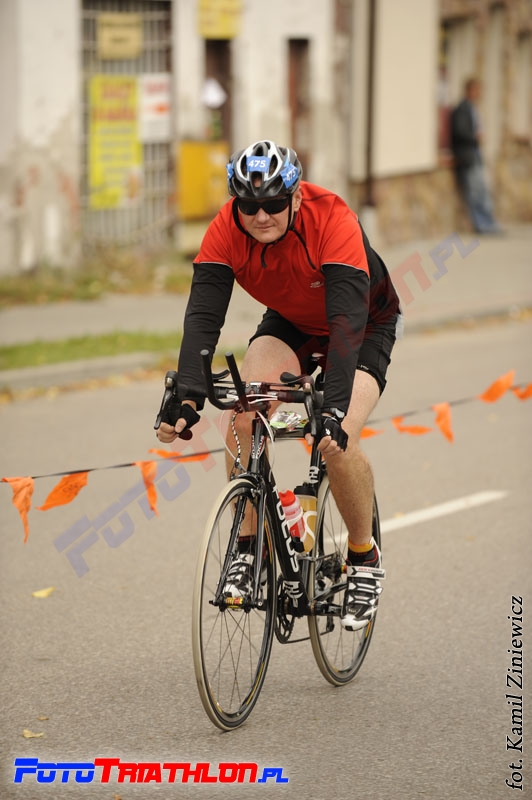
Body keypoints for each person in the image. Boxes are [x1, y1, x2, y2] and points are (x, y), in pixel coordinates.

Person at [156, 140, 400, 631]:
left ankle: (364, 557)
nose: (261, 216)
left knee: (336, 439)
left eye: (273, 203)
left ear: (296, 197)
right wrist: (187, 396)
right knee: (243, 410)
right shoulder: (226, 229)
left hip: (361, 325)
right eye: (249, 206)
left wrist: (333, 409)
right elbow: (203, 317)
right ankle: (249, 549)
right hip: (293, 322)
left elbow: (346, 324)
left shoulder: (333, 220)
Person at [450, 77, 501, 234]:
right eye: (476, 90)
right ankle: (482, 225)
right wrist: (475, 136)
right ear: (469, 90)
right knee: (475, 192)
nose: (479, 93)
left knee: (483, 191)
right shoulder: (462, 109)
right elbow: (459, 132)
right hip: (467, 158)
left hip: (475, 156)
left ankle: (488, 223)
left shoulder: (472, 108)